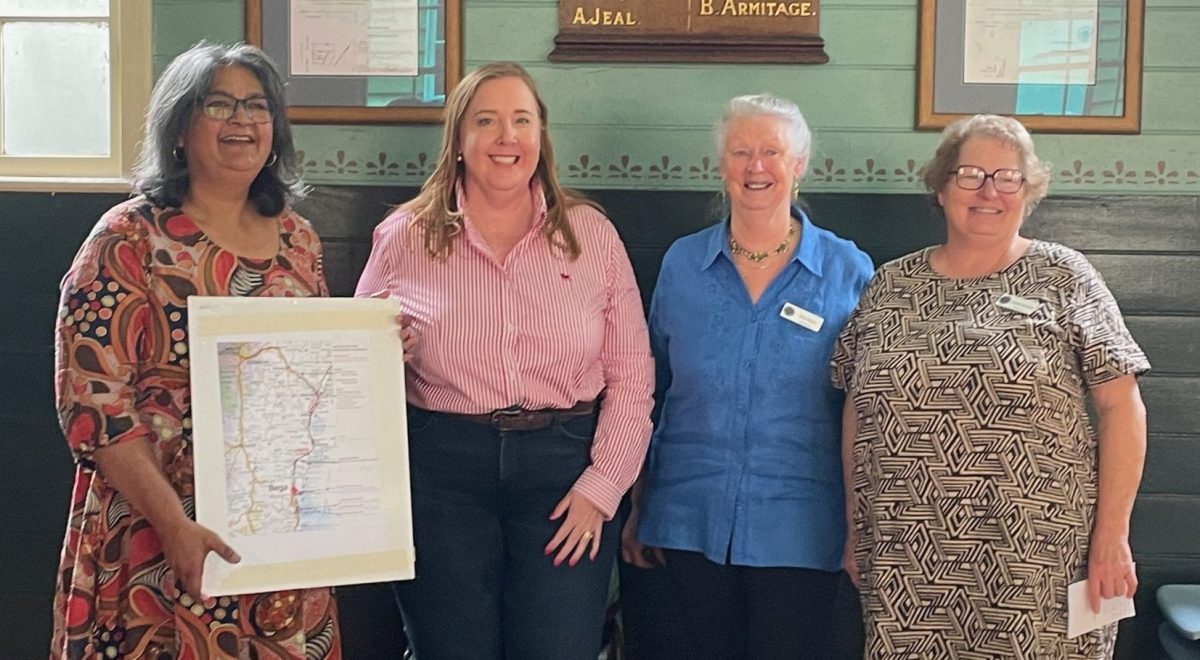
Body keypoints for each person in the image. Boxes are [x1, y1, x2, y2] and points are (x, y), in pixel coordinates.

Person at [50, 43, 344, 658]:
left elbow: (317, 371)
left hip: (274, 529)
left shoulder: (297, 238)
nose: (243, 121)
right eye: (219, 104)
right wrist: (173, 524)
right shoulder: (127, 238)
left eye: (257, 106)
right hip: (156, 531)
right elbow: (94, 405)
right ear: (180, 128)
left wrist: (372, 352)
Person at [354, 62, 654, 660]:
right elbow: (354, 368)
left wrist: (603, 486)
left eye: (521, 120)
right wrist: (386, 353)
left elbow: (632, 375)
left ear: (540, 136)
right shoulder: (404, 235)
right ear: (459, 141)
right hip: (441, 475)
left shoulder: (591, 234)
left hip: (566, 473)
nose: (505, 137)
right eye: (485, 121)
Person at [832, 114, 1149, 659]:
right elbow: (859, 410)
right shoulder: (891, 283)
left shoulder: (1065, 275)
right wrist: (855, 525)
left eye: (1008, 178)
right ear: (940, 185)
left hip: (1039, 555)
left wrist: (1112, 537)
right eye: (971, 174)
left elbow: (1122, 408)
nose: (989, 191)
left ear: (1028, 192)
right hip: (909, 557)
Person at [623, 94, 873, 659]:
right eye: (741, 152)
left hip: (803, 527)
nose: (755, 166)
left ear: (799, 164)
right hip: (687, 519)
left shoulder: (847, 269)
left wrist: (861, 525)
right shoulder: (682, 265)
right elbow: (652, 395)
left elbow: (867, 411)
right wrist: (638, 507)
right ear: (721, 165)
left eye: (771, 152)